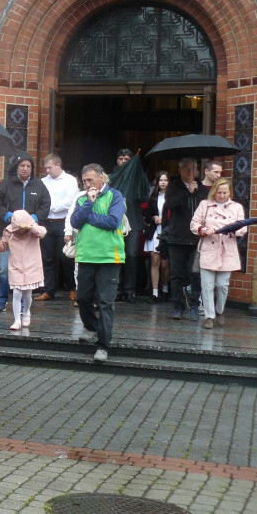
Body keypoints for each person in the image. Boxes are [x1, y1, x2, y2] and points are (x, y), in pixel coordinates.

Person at [70, 164, 126, 363]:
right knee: (83, 298)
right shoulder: (83, 199)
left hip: (109, 257)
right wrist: (88, 205)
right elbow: (75, 222)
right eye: (84, 181)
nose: (87, 184)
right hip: (86, 256)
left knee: (105, 302)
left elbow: (113, 222)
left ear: (102, 177)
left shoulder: (116, 196)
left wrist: (89, 217)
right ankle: (93, 327)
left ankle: (103, 345)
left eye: (90, 180)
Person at [0, 152, 50, 312]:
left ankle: (24, 303)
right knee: (3, 268)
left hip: (29, 235)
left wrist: (33, 219)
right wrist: (9, 217)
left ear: (32, 168)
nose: (25, 169)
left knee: (27, 269)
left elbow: (45, 204)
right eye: (22, 165)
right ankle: (2, 300)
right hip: (9, 233)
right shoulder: (6, 184)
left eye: (28, 166)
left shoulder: (38, 185)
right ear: (16, 167)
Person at [190, 179, 247, 329]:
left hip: (227, 250)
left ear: (230, 193)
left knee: (222, 285)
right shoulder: (205, 205)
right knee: (207, 286)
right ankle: (209, 316)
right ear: (214, 192)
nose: (222, 195)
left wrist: (231, 229)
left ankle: (220, 310)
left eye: (225, 192)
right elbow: (194, 224)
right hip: (209, 248)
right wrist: (203, 229)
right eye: (219, 192)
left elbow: (243, 227)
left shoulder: (236, 207)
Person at [163, 157, 205, 321]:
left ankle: (194, 305)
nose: (189, 172)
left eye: (192, 169)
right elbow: (171, 204)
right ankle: (177, 307)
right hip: (177, 239)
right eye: (186, 168)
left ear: (196, 171)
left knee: (195, 273)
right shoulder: (174, 188)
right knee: (177, 275)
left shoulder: (202, 189)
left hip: (196, 240)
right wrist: (188, 193)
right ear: (179, 170)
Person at [0, 209, 46, 331]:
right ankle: (17, 320)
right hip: (15, 264)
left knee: (27, 293)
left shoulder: (34, 229)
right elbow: (4, 246)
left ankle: (27, 311)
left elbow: (43, 232)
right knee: (17, 293)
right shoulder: (9, 230)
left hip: (31, 265)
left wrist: (30, 226)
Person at [39, 154, 79, 301]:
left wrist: (51, 207)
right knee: (47, 257)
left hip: (63, 222)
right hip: (47, 222)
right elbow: (40, 201)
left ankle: (72, 288)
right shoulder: (43, 182)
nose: (47, 170)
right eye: (46, 168)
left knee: (66, 257)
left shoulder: (70, 180)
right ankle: (48, 290)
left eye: (50, 167)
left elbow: (71, 202)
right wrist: (49, 209)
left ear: (58, 165)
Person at [113, 149, 145, 303]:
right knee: (117, 256)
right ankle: (117, 289)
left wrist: (136, 168)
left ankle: (130, 290)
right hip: (116, 222)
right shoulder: (112, 177)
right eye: (121, 159)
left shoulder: (137, 177)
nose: (124, 161)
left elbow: (144, 193)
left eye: (127, 159)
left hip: (134, 221)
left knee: (131, 256)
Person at [143, 171, 171, 303]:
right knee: (155, 261)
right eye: (161, 180)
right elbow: (148, 215)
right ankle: (155, 293)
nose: (163, 182)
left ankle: (165, 289)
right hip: (155, 231)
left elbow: (176, 217)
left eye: (165, 180)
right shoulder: (153, 197)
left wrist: (164, 220)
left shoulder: (172, 197)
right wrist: (154, 217)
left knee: (165, 264)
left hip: (167, 232)